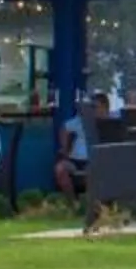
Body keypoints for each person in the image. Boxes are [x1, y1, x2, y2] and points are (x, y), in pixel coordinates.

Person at [54, 91, 106, 223]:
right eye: (92, 107)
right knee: (60, 169)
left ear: (104, 107)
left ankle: (93, 209)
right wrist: (64, 147)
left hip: (94, 160)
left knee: (91, 173)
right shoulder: (81, 120)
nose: (94, 110)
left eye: (97, 107)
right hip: (76, 159)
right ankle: (73, 205)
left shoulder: (107, 123)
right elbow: (65, 127)